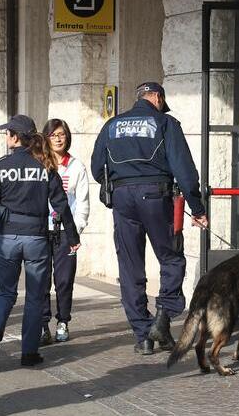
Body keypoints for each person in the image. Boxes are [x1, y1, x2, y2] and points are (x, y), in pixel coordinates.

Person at [91, 81, 208, 356]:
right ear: (157, 97)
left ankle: (143, 335)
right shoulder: (165, 123)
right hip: (156, 196)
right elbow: (185, 170)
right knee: (171, 257)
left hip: (122, 198)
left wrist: (120, 184)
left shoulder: (111, 125)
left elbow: (97, 168)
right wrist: (197, 208)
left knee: (130, 266)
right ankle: (162, 320)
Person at [0, 115, 78, 367]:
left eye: (7, 133)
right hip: (36, 238)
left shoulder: (1, 166)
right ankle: (29, 352)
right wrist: (72, 236)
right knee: (35, 296)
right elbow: (61, 204)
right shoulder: (45, 165)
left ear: (15, 137)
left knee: (5, 291)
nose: (6, 137)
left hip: (8, 238)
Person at [39, 119, 90, 345]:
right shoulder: (39, 164)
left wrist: (75, 230)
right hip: (41, 231)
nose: (58, 139)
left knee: (64, 280)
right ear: (46, 138)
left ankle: (63, 322)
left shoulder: (76, 166)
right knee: (41, 280)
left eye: (62, 134)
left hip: (65, 233)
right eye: (53, 135)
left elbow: (83, 202)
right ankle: (42, 324)